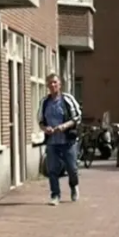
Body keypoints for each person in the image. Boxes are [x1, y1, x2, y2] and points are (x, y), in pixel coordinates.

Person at [38, 73, 82, 205]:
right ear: (47, 85)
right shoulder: (44, 102)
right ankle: (55, 195)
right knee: (52, 170)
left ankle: (73, 186)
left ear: (60, 84)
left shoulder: (67, 99)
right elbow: (40, 121)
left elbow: (77, 117)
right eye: (50, 83)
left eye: (55, 82)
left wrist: (64, 126)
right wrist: (45, 128)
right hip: (52, 142)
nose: (53, 85)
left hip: (67, 141)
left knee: (72, 168)